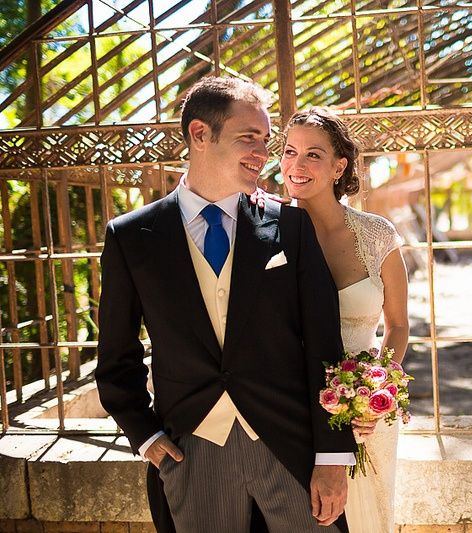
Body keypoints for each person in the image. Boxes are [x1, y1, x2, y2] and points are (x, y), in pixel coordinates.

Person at [96, 77, 356, 533]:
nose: (263, 152)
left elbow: (323, 348)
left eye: (265, 139)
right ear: (200, 134)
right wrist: (147, 437)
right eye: (248, 137)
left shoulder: (291, 227)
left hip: (289, 446)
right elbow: (117, 356)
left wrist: (333, 455)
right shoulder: (132, 237)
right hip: (192, 452)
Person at [279, 107, 409, 533]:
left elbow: (398, 325)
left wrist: (376, 391)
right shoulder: (264, 234)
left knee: (367, 522)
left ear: (339, 166)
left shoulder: (377, 236)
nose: (297, 166)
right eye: (289, 151)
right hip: (293, 410)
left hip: (364, 415)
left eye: (313, 155)